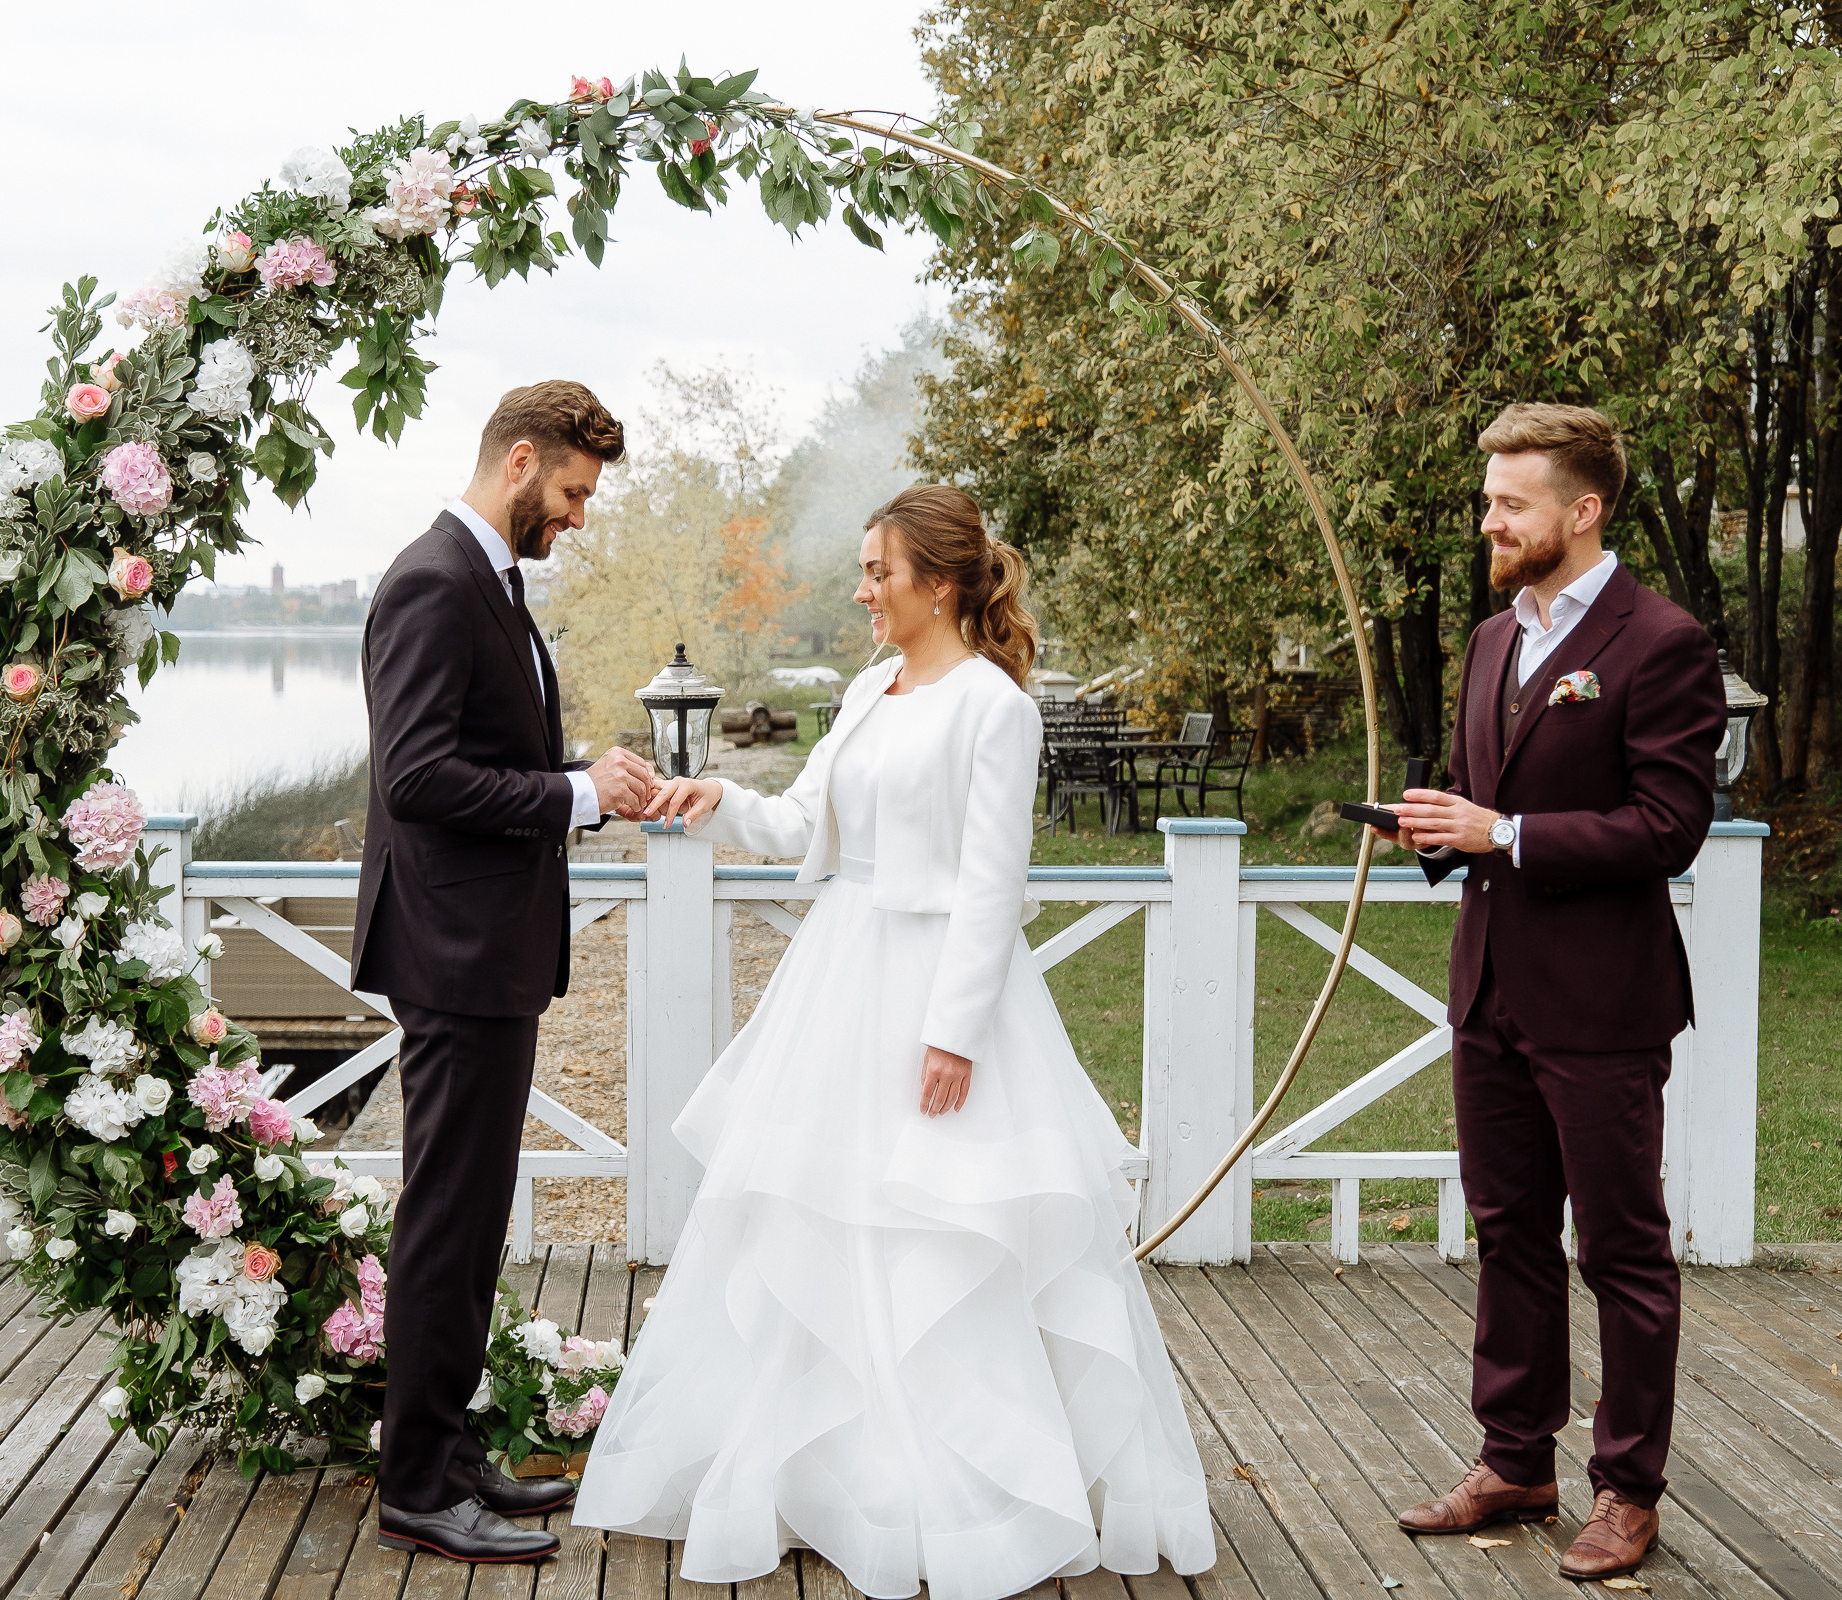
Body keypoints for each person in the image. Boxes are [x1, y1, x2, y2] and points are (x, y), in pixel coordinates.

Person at [571, 485, 1217, 1600]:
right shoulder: (869, 690)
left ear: (942, 582)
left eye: (880, 571)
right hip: (842, 975)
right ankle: (835, 1472)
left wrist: (954, 1033)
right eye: (864, 569)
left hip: (944, 988)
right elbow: (801, 823)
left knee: (943, 1229)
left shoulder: (995, 709)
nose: (862, 591)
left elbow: (992, 881)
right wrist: (712, 794)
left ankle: (967, 1491)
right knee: (829, 1221)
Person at [1383, 403, 1724, 1583]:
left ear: (1581, 512)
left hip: (1604, 1000)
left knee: (1622, 1250)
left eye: (1511, 501)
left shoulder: (1663, 641)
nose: (1491, 517)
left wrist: (1506, 828)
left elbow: (1672, 826)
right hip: (1491, 992)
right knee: (1507, 1232)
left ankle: (1629, 1489)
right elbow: (1486, 805)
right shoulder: (1491, 639)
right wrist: (1436, 831)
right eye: (1490, 498)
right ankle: (1514, 1458)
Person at [350, 380, 658, 1564]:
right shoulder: (432, 582)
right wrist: (572, 795)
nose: (580, 516)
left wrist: (587, 774)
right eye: (575, 492)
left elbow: (489, 754)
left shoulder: (493, 584)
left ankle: (448, 1442)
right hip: (455, 951)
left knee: (473, 1221)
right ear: (521, 461)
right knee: (446, 1219)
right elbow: (418, 777)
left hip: (488, 950)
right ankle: (416, 1482)